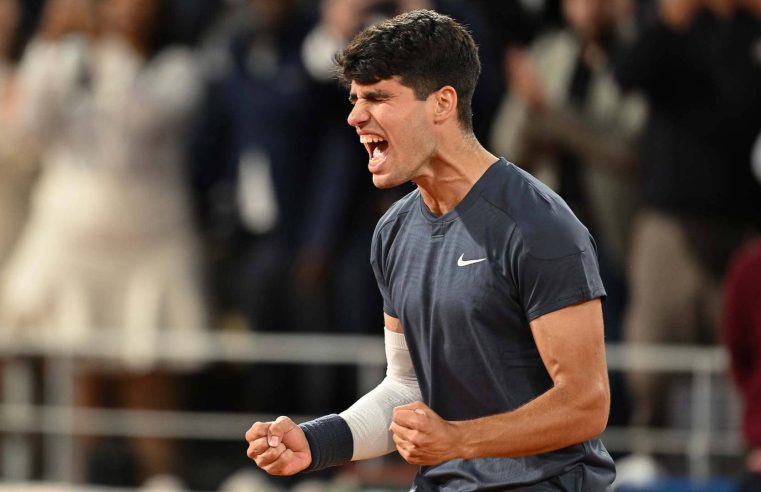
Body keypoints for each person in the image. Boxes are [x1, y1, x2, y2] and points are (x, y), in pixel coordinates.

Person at [245, 9, 615, 490]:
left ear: (442, 103)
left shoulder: (539, 224)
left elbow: (586, 404)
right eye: (355, 99)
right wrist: (317, 443)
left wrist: (459, 440)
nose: (356, 116)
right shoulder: (394, 230)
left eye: (377, 97)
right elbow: (408, 387)